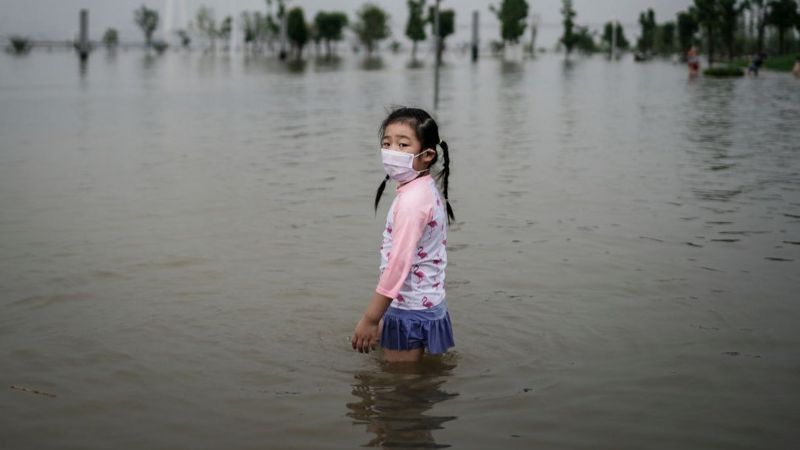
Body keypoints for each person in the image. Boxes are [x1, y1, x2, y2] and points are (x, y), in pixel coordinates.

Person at [351, 107, 455, 363]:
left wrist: (370, 319)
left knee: (400, 392)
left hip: (411, 309)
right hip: (427, 301)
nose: (391, 152)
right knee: (414, 381)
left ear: (427, 155)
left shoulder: (412, 203)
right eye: (387, 143)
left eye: (403, 145)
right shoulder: (423, 189)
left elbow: (398, 266)